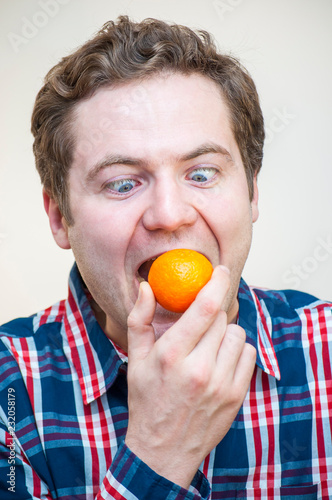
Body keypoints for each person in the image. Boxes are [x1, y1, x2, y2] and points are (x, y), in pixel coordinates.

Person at [0, 15, 331, 500]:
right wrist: (159, 454)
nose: (169, 215)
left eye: (201, 173)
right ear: (58, 217)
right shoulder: (10, 393)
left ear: (253, 194)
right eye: (122, 183)